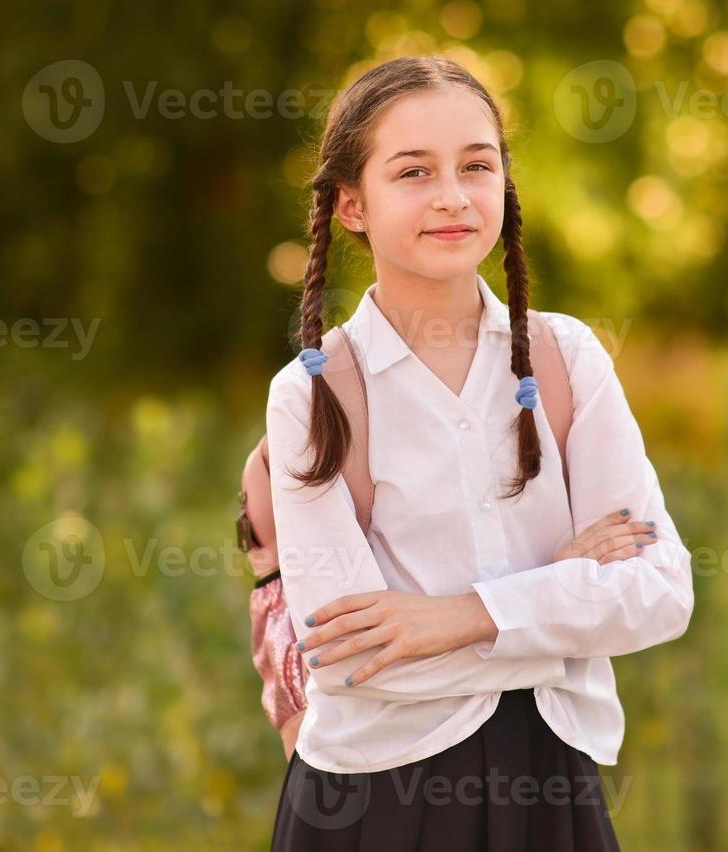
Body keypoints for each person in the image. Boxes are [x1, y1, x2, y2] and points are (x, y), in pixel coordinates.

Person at [266, 54, 694, 850]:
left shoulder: (566, 360)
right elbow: (347, 662)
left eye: (476, 165)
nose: (453, 196)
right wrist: (560, 598)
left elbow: (661, 591)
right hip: (373, 802)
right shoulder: (315, 393)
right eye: (413, 172)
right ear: (351, 204)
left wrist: (456, 616)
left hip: (550, 785)